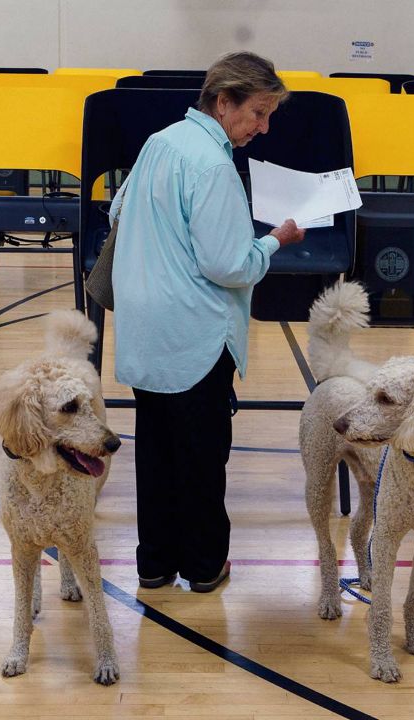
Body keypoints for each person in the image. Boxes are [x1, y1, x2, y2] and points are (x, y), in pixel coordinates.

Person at [109, 51, 305, 592]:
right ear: (224, 102)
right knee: (200, 457)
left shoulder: (161, 141)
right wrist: (275, 240)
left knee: (155, 451)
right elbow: (230, 265)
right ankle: (201, 566)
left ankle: (153, 564)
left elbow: (116, 213)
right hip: (194, 332)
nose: (262, 128)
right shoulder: (215, 164)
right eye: (259, 113)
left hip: (145, 325)